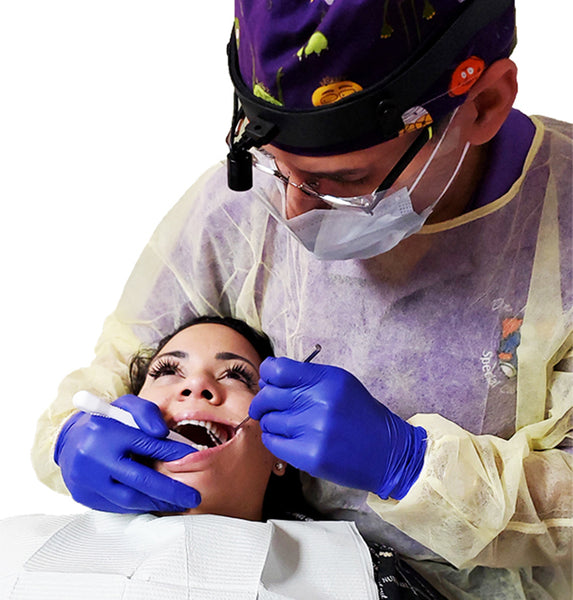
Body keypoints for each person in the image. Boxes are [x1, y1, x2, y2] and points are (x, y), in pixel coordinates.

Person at [32, 1, 571, 598]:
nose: (293, 214)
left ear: (485, 104)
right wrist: (71, 437)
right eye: (274, 168)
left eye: (345, 182)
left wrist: (410, 465)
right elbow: (120, 365)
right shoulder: (239, 211)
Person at [2, 316, 443, 600]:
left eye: (235, 375)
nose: (196, 386)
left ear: (280, 452)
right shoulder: (18, 547)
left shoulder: (369, 574)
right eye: (167, 371)